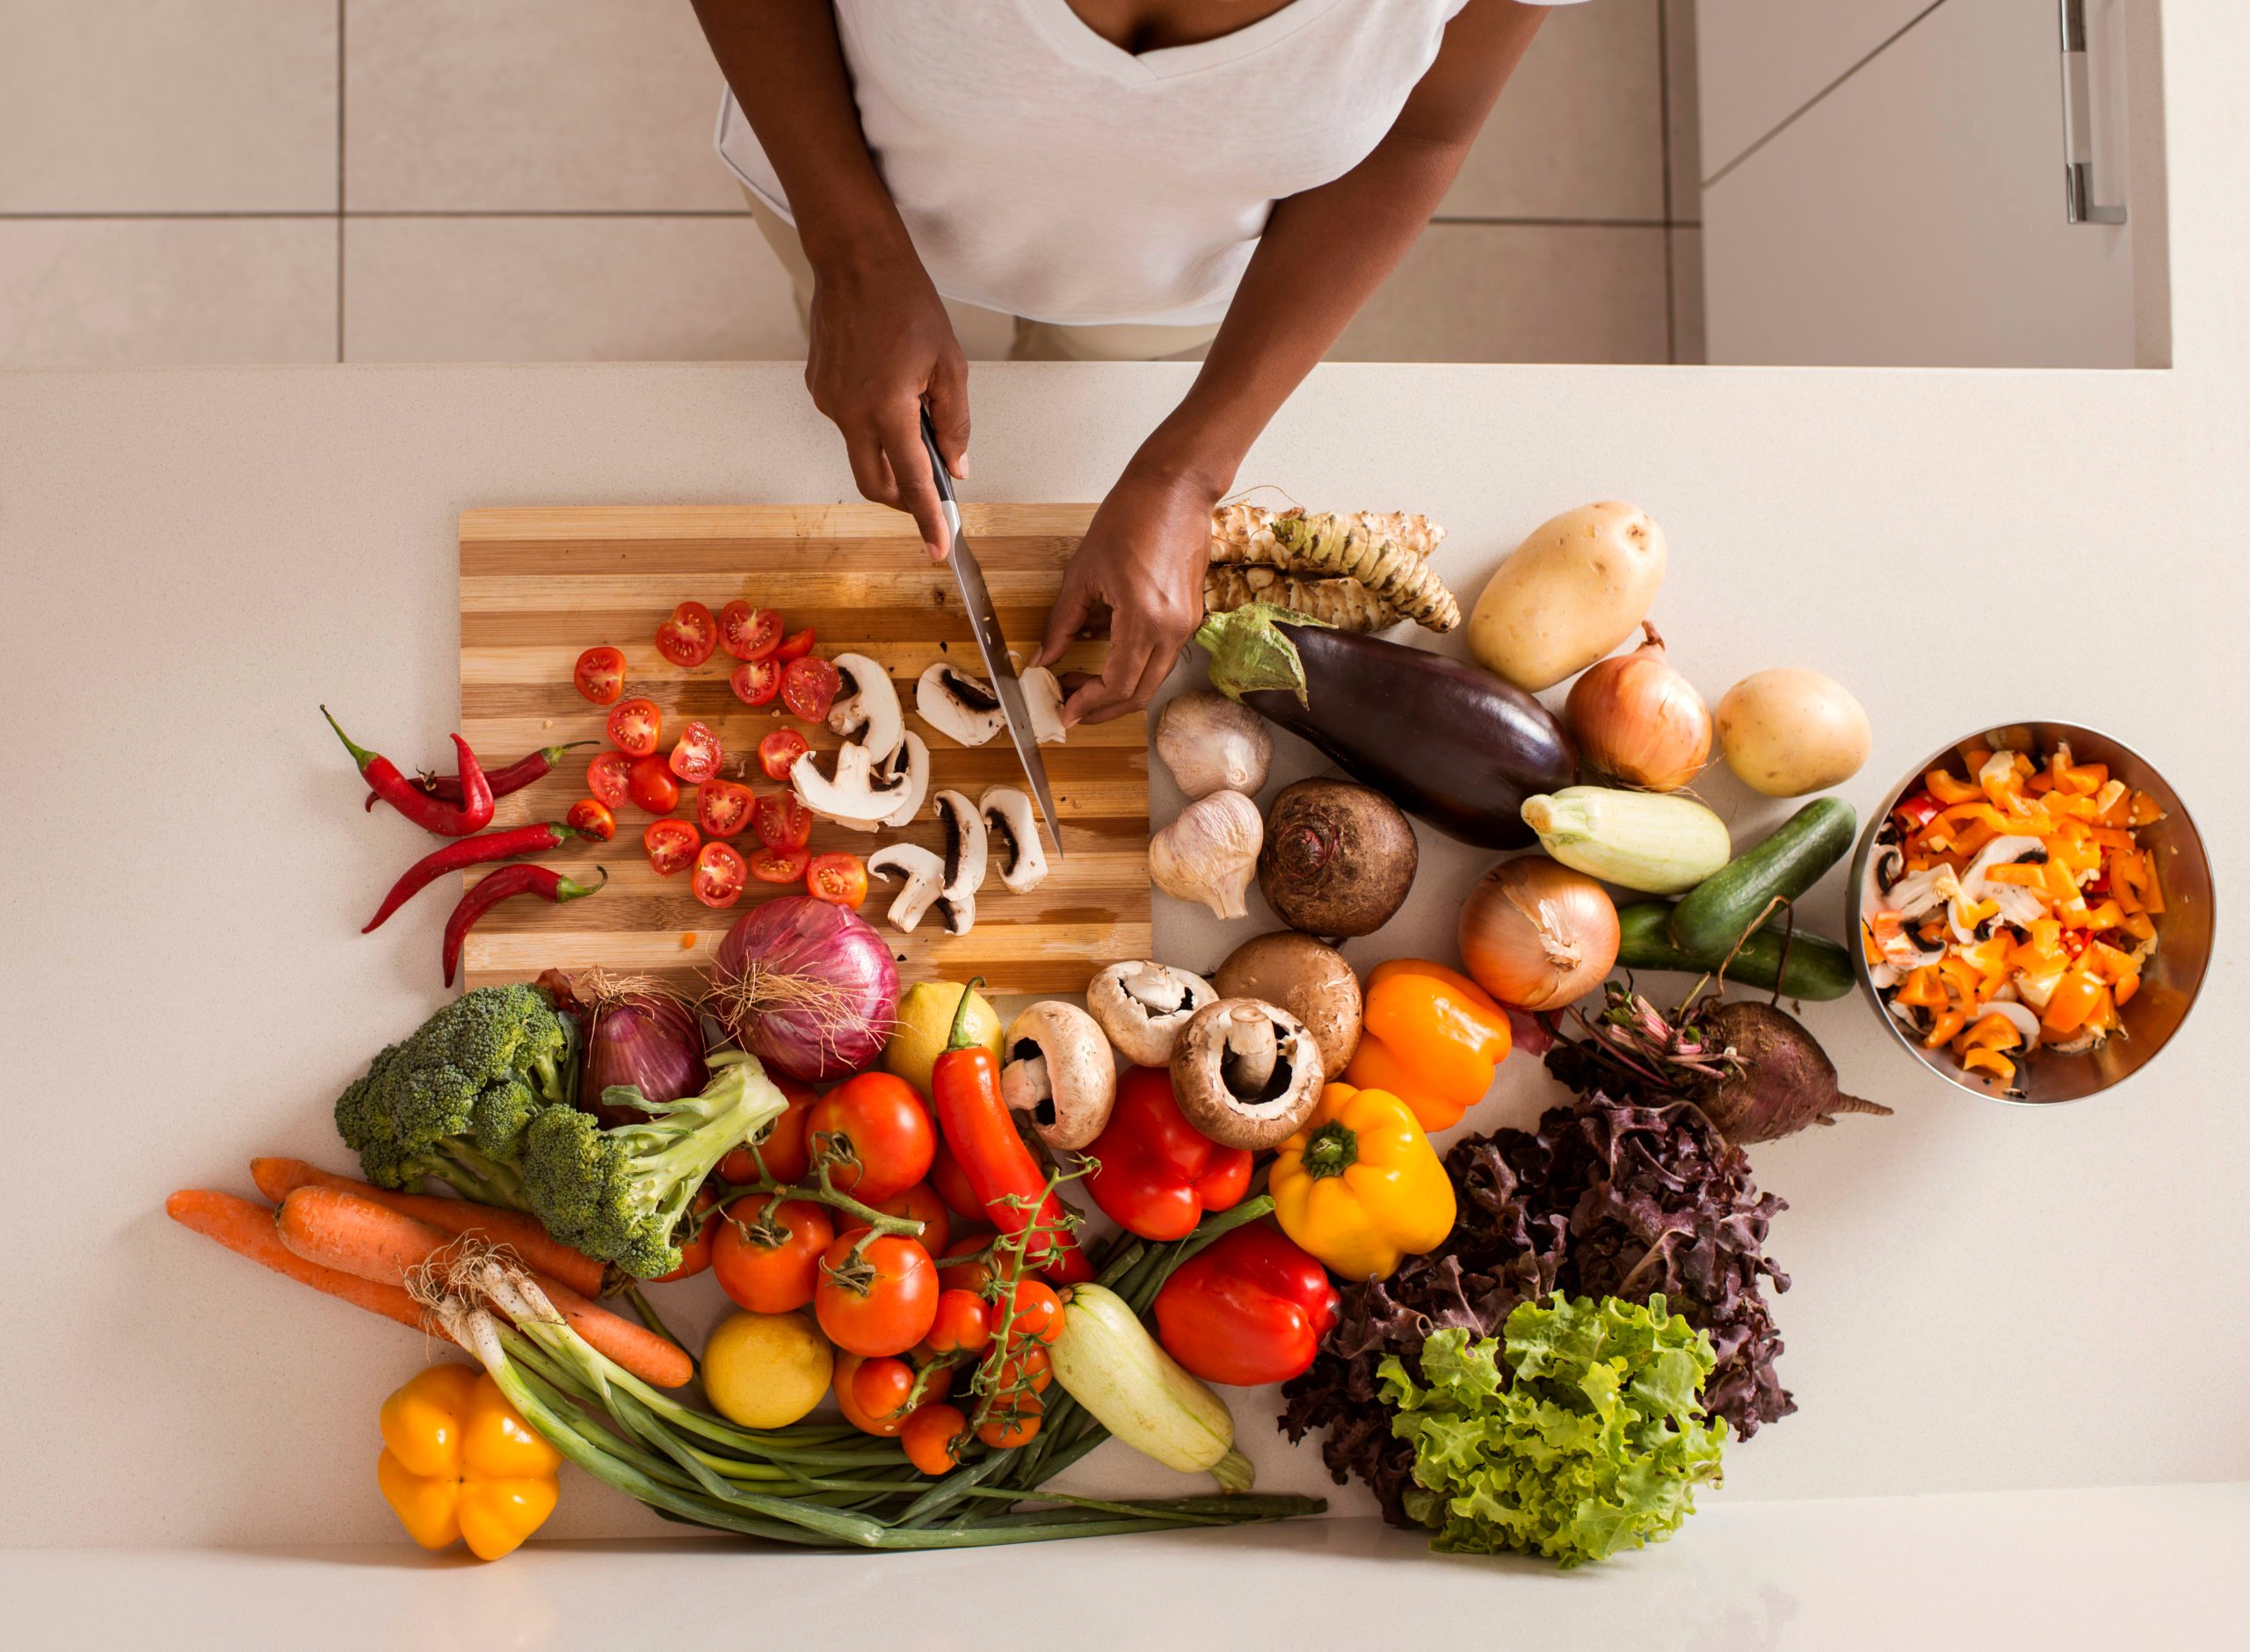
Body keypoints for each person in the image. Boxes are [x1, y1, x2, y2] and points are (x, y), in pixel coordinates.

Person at [693, 1, 1575, 724]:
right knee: (852, 373)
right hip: (848, 192)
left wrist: (1187, 470)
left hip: (1164, 284)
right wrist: (852, 254)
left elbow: (1424, 129)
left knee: (1084, 378)